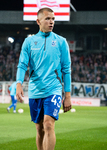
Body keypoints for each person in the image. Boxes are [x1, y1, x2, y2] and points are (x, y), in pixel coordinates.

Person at [16, 8, 72, 150]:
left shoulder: (61, 42)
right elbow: (22, 65)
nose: (51, 22)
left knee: (48, 124)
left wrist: (67, 95)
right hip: (35, 90)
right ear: (38, 21)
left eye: (53, 19)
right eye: (47, 19)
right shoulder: (29, 42)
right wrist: (18, 84)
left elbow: (66, 70)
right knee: (39, 128)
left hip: (53, 89)